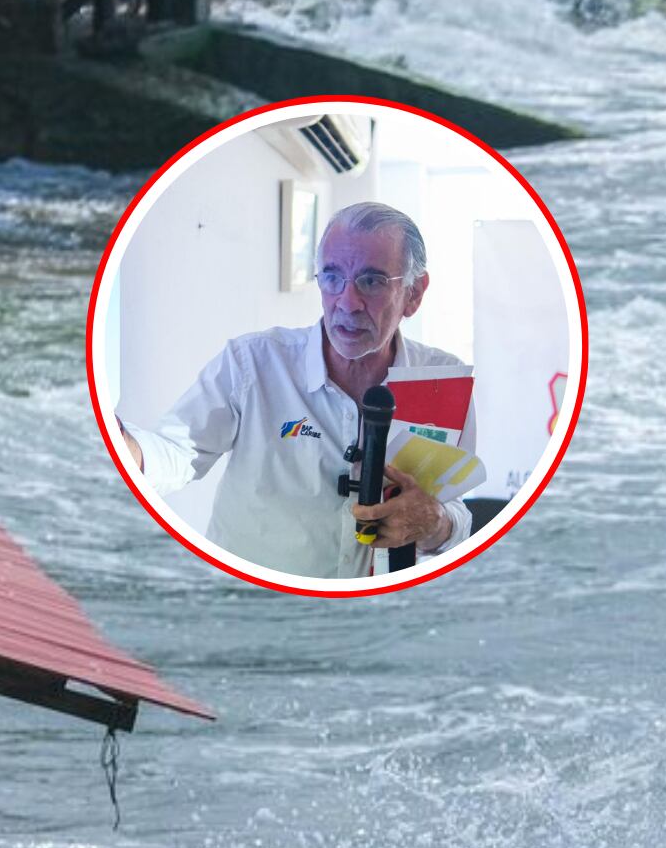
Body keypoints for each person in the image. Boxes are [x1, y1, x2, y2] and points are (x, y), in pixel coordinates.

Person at [116, 201, 474, 578]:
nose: (347, 303)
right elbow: (175, 451)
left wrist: (435, 523)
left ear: (414, 293)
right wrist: (122, 445)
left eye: (371, 281)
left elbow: (455, 514)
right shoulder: (252, 363)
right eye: (332, 277)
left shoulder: (441, 380)